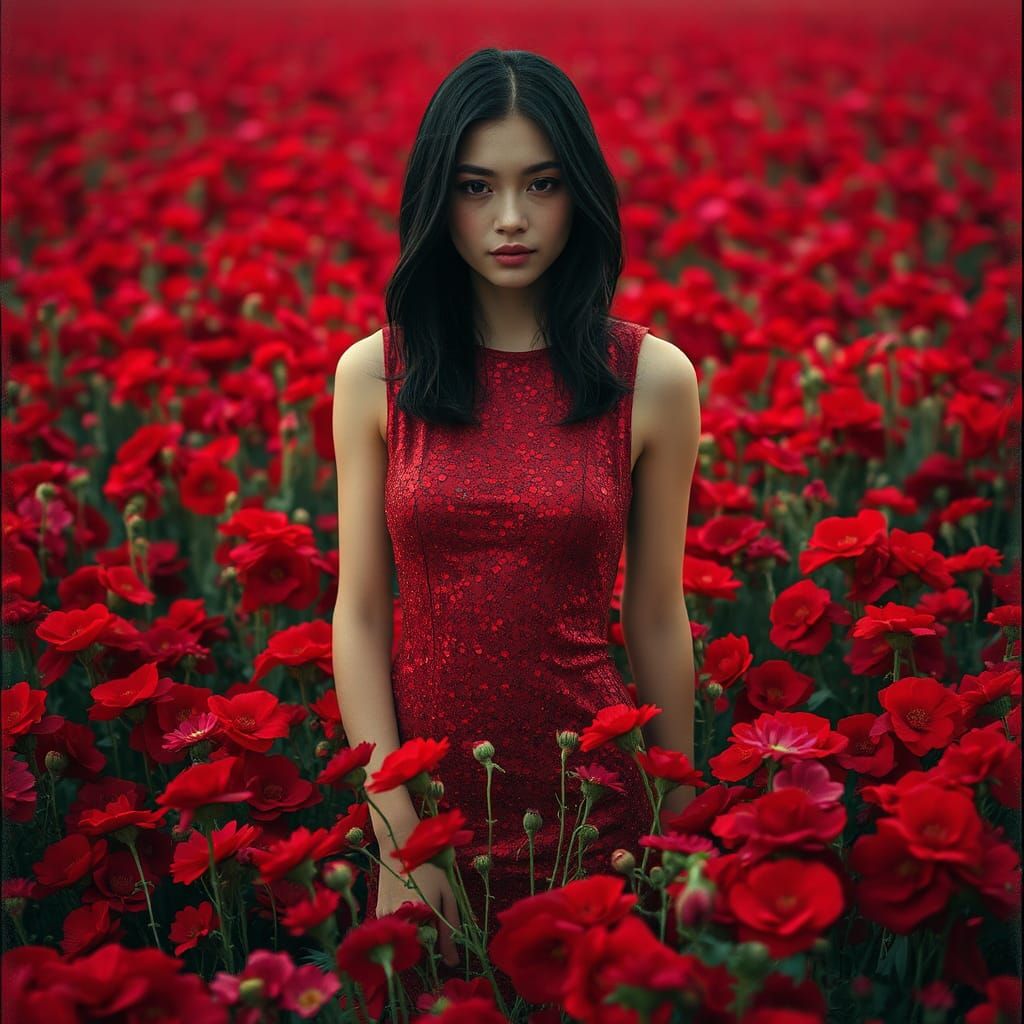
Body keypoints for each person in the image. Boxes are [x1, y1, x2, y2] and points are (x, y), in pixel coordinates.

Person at [331, 47, 700, 1016]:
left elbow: (657, 620)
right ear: (434, 199)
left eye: (540, 185)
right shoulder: (375, 375)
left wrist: (681, 836)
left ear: (579, 193)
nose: (508, 220)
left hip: (596, 813)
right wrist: (396, 839)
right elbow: (361, 615)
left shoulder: (650, 378)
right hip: (428, 812)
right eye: (475, 187)